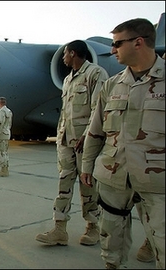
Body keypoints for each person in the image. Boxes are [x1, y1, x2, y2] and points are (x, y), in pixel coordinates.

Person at [80, 18, 165, 269]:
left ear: (138, 42)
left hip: (157, 181)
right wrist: (87, 166)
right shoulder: (112, 84)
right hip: (114, 176)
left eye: (117, 43)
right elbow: (95, 131)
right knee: (111, 237)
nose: (112, 50)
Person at [35, 40, 109, 246]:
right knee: (64, 183)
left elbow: (99, 109)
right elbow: (66, 113)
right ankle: (59, 229)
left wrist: (89, 136)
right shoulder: (68, 80)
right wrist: (60, 137)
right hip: (67, 141)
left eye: (66, 53)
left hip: (86, 142)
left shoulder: (96, 74)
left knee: (88, 185)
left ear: (73, 53)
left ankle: (93, 227)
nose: (63, 57)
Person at [0, 97, 13, 177]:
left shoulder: (2, 112)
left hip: (1, 134)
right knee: (4, 152)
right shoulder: (9, 111)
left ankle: (3, 169)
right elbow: (10, 124)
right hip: (7, 133)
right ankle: (6, 168)